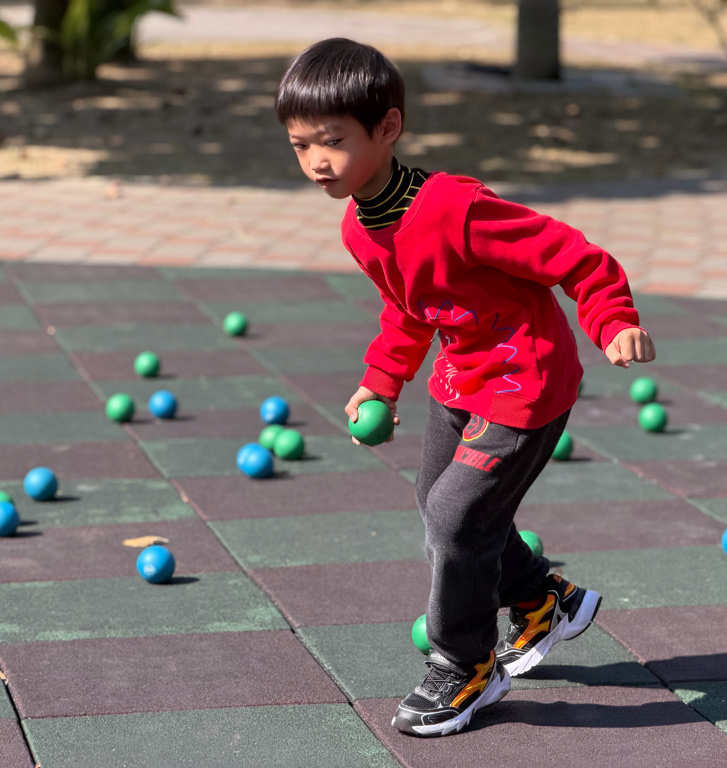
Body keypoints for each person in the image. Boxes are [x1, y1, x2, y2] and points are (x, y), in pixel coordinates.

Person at [275, 38, 656, 737]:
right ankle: (542, 599)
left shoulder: (457, 208)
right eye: (301, 145)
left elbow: (574, 256)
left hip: (527, 383)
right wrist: (381, 383)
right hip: (461, 382)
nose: (316, 162)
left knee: (454, 517)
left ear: (387, 128)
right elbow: (406, 309)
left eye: (332, 140)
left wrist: (612, 318)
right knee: (440, 507)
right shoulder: (360, 228)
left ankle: (465, 664)